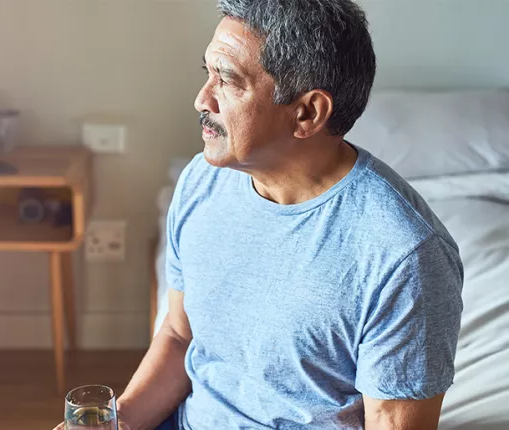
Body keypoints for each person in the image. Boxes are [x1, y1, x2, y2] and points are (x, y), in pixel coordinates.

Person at [56, 0, 463, 429]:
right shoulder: (202, 180)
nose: (202, 98)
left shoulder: (404, 256)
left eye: (227, 81)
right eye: (206, 73)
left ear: (306, 112)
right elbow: (179, 337)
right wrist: (119, 423)